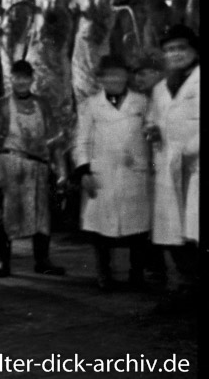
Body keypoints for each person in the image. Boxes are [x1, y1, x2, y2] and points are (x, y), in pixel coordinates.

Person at [73, 55, 151, 291]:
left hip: (134, 171)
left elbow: (153, 134)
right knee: (100, 228)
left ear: (126, 75)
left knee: (137, 228)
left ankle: (136, 274)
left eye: (119, 73)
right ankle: (103, 273)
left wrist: (144, 156)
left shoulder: (142, 102)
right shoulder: (89, 105)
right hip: (102, 172)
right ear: (100, 79)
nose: (114, 79)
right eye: (108, 75)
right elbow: (82, 141)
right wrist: (84, 170)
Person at [0, 60, 65, 278]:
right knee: (7, 215)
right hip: (10, 165)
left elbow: (55, 137)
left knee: (41, 216)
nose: (21, 82)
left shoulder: (42, 104)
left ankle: (42, 260)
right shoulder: (0, 106)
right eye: (17, 77)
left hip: (38, 166)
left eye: (25, 78)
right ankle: (4, 262)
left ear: (32, 79)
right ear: (11, 78)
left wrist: (61, 170)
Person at [144, 25, 199, 299]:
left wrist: (188, 149)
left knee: (195, 229)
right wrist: (151, 128)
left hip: (196, 166)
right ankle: (188, 285)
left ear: (193, 50)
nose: (175, 54)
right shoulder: (159, 88)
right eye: (169, 50)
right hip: (168, 165)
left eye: (180, 48)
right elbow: (153, 118)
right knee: (176, 232)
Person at [131, 53, 168, 283]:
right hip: (146, 167)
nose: (138, 78)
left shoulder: (164, 95)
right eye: (136, 74)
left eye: (143, 73)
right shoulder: (142, 99)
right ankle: (154, 267)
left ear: (157, 73)